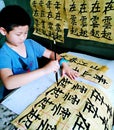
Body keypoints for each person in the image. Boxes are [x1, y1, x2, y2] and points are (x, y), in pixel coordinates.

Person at [0, 5, 78, 97]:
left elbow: (51, 54)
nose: (23, 38)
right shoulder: (3, 54)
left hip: (35, 87)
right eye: (18, 34)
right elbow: (9, 83)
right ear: (3, 31)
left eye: (25, 33)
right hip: (14, 95)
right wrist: (45, 70)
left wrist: (64, 64)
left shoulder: (30, 44)